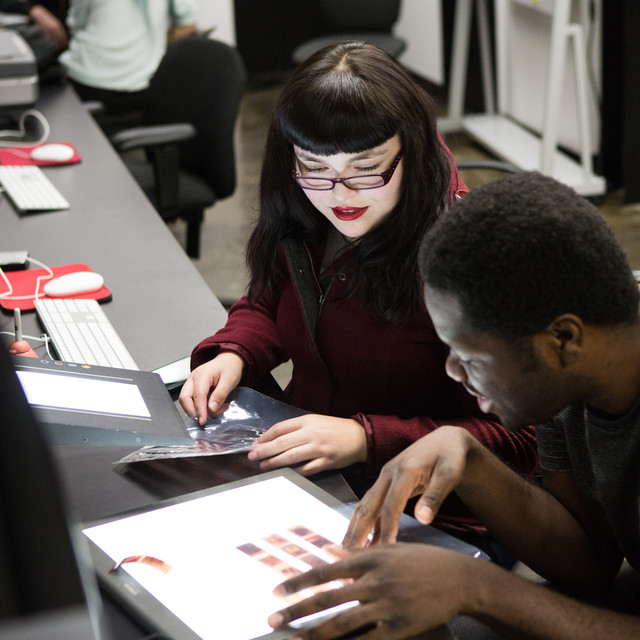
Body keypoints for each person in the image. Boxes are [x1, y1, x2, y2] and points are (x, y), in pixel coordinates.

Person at [179, 42, 538, 556]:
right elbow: (270, 298)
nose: (341, 195)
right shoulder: (304, 208)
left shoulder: (467, 261)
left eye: (367, 169)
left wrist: (364, 438)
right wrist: (235, 350)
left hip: (433, 517)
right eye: (314, 168)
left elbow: (523, 442)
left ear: (411, 150)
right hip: (315, 481)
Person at [266, 171, 640, 639]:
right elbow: (589, 563)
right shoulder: (566, 380)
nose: (454, 373)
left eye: (471, 358)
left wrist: (477, 586)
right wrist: (469, 458)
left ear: (562, 339)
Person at [58, 0, 197, 118]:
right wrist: (156, 44)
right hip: (141, 86)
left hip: (86, 84)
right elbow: (188, 25)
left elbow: (76, 25)